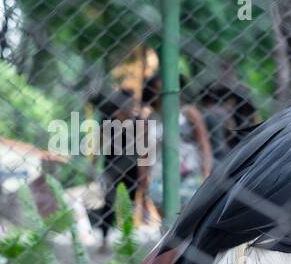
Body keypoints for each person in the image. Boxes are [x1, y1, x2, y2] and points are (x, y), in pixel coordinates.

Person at [142, 73, 213, 211]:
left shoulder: (188, 112)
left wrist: (207, 173)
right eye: (158, 92)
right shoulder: (150, 118)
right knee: (168, 222)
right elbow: (145, 154)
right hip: (160, 177)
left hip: (189, 174)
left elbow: (204, 144)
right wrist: (143, 184)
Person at [91, 88, 148, 246]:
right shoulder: (109, 120)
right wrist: (93, 163)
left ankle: (127, 239)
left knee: (129, 203)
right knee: (109, 203)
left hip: (132, 170)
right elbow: (99, 143)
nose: (131, 106)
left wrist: (143, 172)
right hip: (111, 169)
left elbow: (143, 150)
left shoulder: (138, 122)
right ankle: (104, 239)